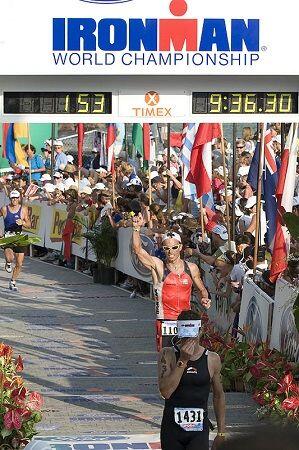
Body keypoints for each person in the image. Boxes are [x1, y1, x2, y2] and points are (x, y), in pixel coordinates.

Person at [132, 214, 210, 351]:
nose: (170, 252)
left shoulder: (191, 268)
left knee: (186, 358)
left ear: (180, 247)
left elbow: (201, 289)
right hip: (165, 321)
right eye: (166, 248)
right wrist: (136, 229)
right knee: (166, 361)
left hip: (186, 321)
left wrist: (205, 298)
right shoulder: (158, 266)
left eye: (174, 248)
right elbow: (138, 251)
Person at [158, 309, 226, 450]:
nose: (189, 339)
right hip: (172, 429)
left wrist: (221, 432)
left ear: (200, 332)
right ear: (178, 331)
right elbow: (166, 392)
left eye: (192, 333)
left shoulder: (212, 359)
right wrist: (182, 360)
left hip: (198, 431)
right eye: (184, 334)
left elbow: (219, 396)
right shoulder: (168, 354)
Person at [0, 190, 31, 291]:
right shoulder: (5, 209)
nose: (14, 200)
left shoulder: (23, 209)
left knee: (19, 263)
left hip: (19, 236)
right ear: (10, 199)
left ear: (19, 198)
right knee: (10, 258)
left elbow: (29, 224)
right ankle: (8, 263)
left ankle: (13, 281)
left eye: (16, 198)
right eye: (13, 198)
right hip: (8, 236)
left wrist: (23, 222)